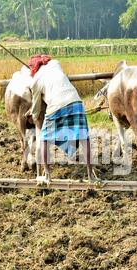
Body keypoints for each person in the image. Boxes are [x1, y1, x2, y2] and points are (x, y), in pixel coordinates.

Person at [25, 54, 97, 185]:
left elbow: (36, 107)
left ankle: (47, 175)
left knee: (45, 137)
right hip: (76, 103)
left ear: (33, 67)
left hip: (56, 106)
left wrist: (33, 116)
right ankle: (90, 176)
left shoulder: (35, 81)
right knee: (84, 137)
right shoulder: (55, 64)